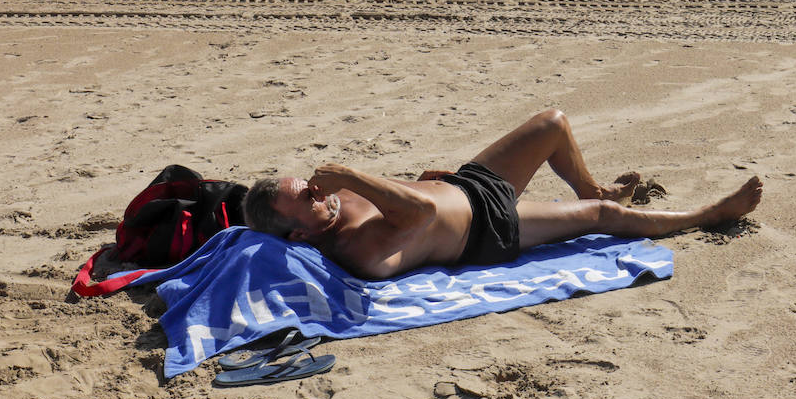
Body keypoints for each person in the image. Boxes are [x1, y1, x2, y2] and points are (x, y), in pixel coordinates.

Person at [243, 109, 763, 281]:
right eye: (308, 199)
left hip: (466, 186)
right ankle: (709, 213)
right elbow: (420, 212)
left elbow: (413, 195)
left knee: (552, 124)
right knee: (601, 216)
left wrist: (424, 177)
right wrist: (351, 174)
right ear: (296, 233)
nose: (321, 194)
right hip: (488, 229)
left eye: (311, 186)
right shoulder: (356, 250)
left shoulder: (328, 211)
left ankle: (593, 184)